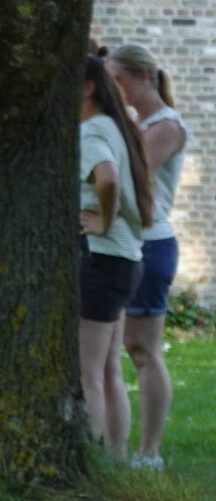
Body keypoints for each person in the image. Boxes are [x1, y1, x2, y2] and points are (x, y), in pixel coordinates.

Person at [109, 43, 185, 468]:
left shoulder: (166, 126)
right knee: (111, 351)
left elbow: (130, 178)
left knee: (142, 349)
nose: (114, 88)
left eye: (118, 79)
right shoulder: (136, 123)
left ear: (142, 76)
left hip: (151, 244)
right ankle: (112, 445)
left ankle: (149, 453)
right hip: (122, 242)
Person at [77, 53, 155, 460]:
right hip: (124, 259)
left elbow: (107, 179)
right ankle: (116, 459)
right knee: (108, 369)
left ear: (88, 88)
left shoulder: (91, 130)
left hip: (102, 259)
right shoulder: (112, 124)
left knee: (88, 372)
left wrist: (103, 222)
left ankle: (94, 461)